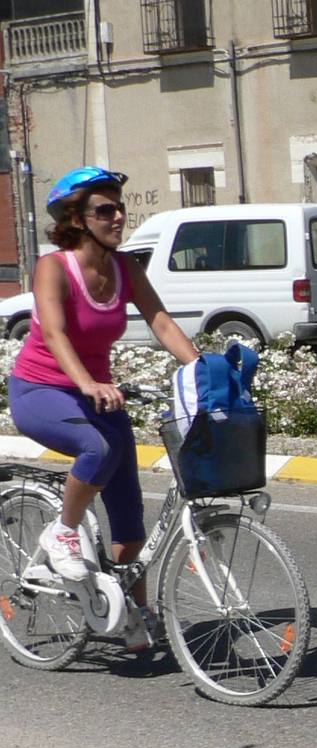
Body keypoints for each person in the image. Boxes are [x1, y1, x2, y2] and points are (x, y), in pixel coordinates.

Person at [8, 166, 200, 649]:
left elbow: (160, 321)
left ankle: (132, 609)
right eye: (105, 209)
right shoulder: (54, 267)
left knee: (129, 514)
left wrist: (203, 369)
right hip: (41, 392)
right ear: (77, 218)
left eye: (119, 207)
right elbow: (53, 334)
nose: (118, 216)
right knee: (94, 447)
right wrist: (89, 382)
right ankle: (63, 533)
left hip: (98, 394)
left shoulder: (126, 268)